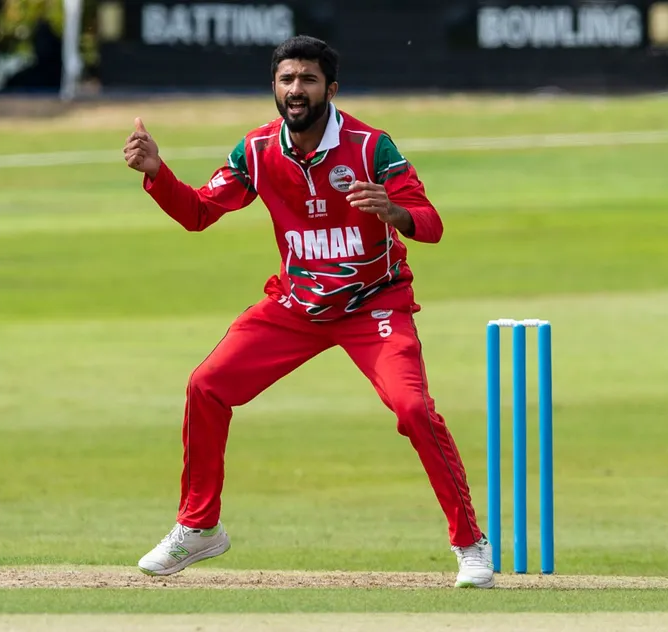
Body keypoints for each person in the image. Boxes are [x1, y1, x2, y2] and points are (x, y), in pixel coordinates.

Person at [122, 35, 495, 589]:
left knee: (414, 409)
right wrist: (158, 173)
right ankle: (199, 527)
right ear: (274, 87)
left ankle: (471, 543)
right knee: (207, 385)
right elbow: (200, 212)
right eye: (287, 80)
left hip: (374, 304)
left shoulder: (372, 147)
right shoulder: (256, 150)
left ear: (331, 89)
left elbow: (431, 222)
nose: (296, 90)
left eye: (308, 80)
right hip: (296, 306)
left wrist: (393, 211)